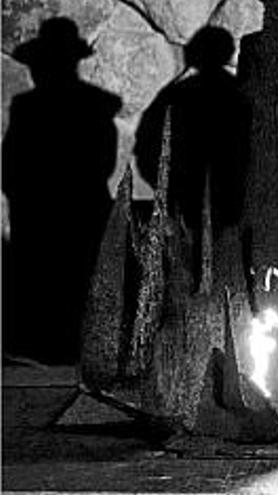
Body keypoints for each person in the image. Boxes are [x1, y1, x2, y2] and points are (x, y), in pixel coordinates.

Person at [2, 17, 122, 364]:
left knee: (58, 285)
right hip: (71, 210)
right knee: (72, 283)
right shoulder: (92, 107)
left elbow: (10, 163)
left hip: (51, 212)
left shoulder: (31, 108)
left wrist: (27, 191)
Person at [134, 25, 250, 292]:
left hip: (193, 200)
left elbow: (146, 148)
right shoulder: (239, 96)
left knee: (188, 276)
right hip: (226, 201)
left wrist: (168, 189)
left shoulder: (176, 95)